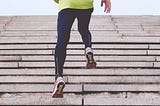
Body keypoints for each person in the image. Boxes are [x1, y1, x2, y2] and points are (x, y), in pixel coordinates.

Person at [52, 0, 111, 98]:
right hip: (86, 4)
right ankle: (88, 47)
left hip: (67, 4)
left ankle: (59, 77)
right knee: (84, 29)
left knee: (62, 41)